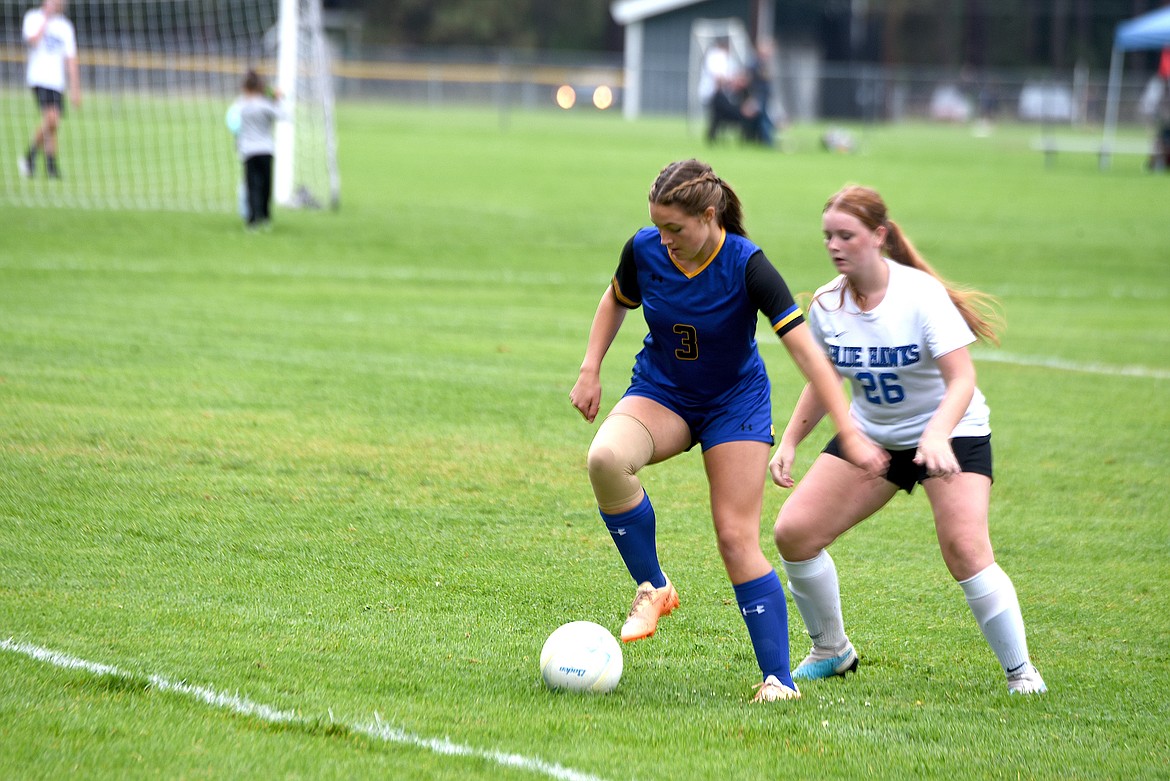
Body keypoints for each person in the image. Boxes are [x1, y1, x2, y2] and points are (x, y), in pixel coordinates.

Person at [569, 160, 888, 703]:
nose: (665, 240)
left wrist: (848, 430)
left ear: (709, 216)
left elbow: (810, 356)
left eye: (677, 229)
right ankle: (653, 586)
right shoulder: (643, 249)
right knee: (605, 460)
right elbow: (615, 299)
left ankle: (778, 681)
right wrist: (590, 366)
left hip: (733, 405)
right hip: (663, 392)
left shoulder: (747, 265)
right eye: (658, 226)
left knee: (736, 539)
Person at [769, 184, 1047, 695]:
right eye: (828, 235)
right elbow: (824, 378)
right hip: (874, 439)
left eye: (846, 235)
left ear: (878, 236)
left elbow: (962, 379)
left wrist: (937, 434)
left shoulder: (919, 294)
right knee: (795, 533)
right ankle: (832, 651)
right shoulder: (829, 303)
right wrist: (789, 441)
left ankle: (1022, 673)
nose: (834, 245)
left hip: (952, 430)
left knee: (965, 548)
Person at [18, 0, 81, 179]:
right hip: (39, 78)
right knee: (52, 119)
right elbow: (32, 40)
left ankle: (50, 167)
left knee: (53, 124)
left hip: (57, 81)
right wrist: (45, 19)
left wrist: (75, 88)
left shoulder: (65, 27)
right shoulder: (33, 17)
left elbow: (71, 59)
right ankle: (29, 156)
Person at [228, 69, 288, 229]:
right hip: (265, 149)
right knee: (266, 185)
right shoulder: (265, 105)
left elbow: (232, 122)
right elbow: (284, 115)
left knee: (252, 185)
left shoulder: (241, 104)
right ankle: (265, 217)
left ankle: (252, 219)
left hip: (248, 150)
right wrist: (277, 99)